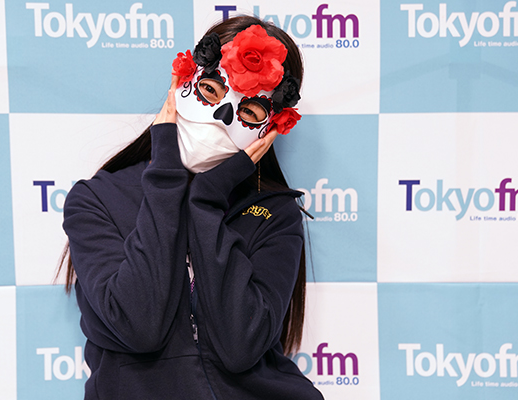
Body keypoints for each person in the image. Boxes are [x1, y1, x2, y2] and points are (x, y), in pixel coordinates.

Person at [60, 15, 324, 400]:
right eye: (211, 89)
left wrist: (208, 199)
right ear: (180, 83)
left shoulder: (274, 214)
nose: (222, 116)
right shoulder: (97, 199)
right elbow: (138, 326)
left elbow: (241, 346)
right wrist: (165, 175)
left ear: (270, 129)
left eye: (250, 112)